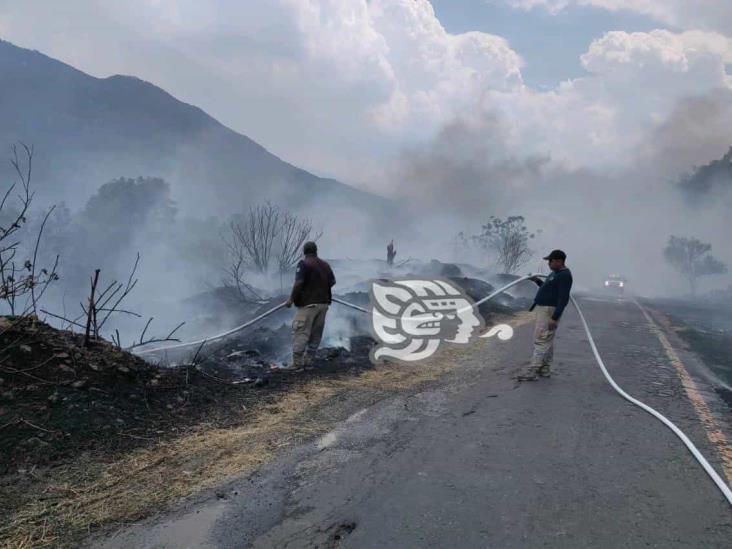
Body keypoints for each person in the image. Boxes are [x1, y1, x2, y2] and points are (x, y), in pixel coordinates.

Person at [518, 249, 573, 381]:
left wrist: (554, 318)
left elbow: (563, 298)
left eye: (551, 261)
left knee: (541, 338)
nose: (548, 263)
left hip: (549, 311)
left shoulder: (564, 275)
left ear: (559, 261)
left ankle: (533, 370)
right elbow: (548, 289)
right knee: (547, 339)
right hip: (544, 309)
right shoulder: (555, 273)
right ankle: (545, 368)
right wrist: (537, 281)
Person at [285, 241, 336, 369]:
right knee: (316, 333)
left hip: (308, 305)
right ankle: (309, 362)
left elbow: (298, 283)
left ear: (304, 252)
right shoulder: (325, 265)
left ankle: (297, 364)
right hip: (323, 305)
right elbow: (332, 282)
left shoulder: (304, 264)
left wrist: (291, 299)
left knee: (301, 332)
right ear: (316, 251)